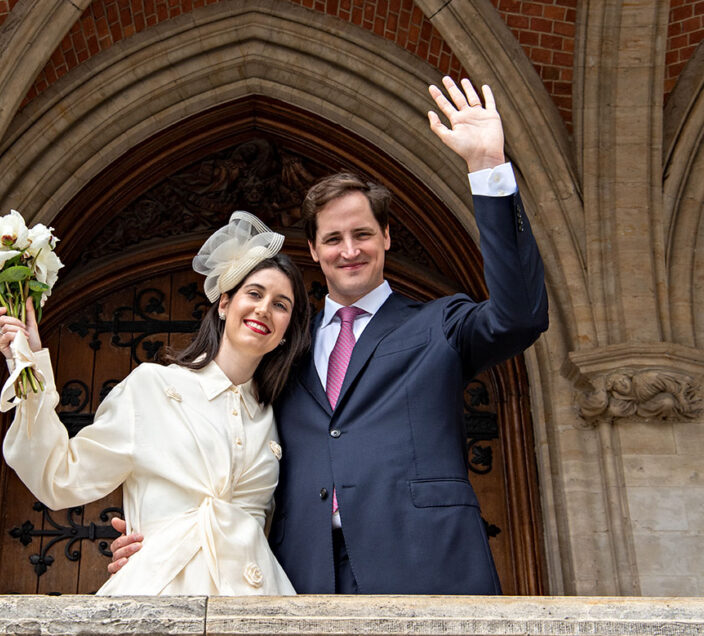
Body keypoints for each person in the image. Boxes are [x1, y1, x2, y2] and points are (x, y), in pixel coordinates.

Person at [108, 76, 549, 594]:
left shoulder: (441, 324)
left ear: (386, 237)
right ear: (313, 251)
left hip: (426, 564)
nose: (350, 250)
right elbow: (221, 443)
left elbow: (521, 316)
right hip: (301, 575)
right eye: (333, 239)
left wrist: (488, 167)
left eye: (362, 234)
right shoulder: (281, 346)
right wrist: (162, 535)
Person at [0, 211, 310, 595]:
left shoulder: (277, 417)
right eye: (255, 293)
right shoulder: (152, 387)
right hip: (163, 593)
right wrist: (30, 367)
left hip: (255, 601)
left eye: (281, 304)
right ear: (224, 303)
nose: (264, 309)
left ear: (286, 332)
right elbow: (60, 477)